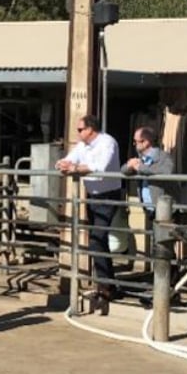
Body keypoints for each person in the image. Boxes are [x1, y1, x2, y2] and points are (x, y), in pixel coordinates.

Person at [56, 115, 122, 314]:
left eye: (80, 129)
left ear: (90, 129)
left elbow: (99, 169)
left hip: (108, 196)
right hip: (92, 195)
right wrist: (63, 164)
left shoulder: (107, 142)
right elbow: (70, 158)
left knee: (96, 240)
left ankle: (105, 288)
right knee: (98, 241)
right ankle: (108, 285)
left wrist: (75, 168)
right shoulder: (83, 145)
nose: (78, 133)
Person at [122, 126, 178, 212]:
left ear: (145, 142)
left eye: (136, 142)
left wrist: (140, 167)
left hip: (164, 207)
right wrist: (130, 166)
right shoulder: (140, 157)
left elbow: (167, 171)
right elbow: (123, 170)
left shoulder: (163, 156)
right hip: (148, 207)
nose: (134, 144)